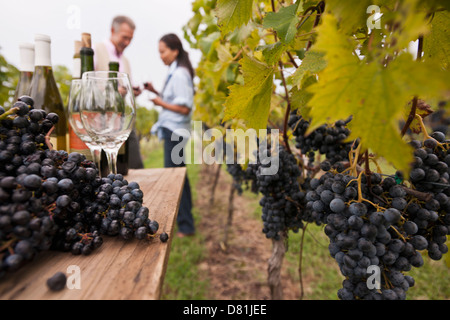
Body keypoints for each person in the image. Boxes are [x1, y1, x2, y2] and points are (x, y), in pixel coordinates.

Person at [146, 33, 195, 237]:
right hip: (173, 130)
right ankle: (186, 222)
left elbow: (184, 108)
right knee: (179, 175)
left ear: (175, 51)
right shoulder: (175, 72)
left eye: (163, 51)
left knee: (174, 178)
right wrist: (156, 92)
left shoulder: (180, 74)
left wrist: (160, 103)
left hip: (175, 131)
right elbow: (175, 100)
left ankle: (185, 225)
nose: (161, 56)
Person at [93, 15, 144, 170]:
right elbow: (88, 87)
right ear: (112, 30)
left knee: (134, 167)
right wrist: (112, 91)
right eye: (124, 37)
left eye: (130, 39)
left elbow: (124, 88)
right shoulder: (97, 51)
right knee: (105, 171)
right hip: (102, 125)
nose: (127, 42)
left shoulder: (126, 61)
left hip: (124, 122)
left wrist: (130, 91)